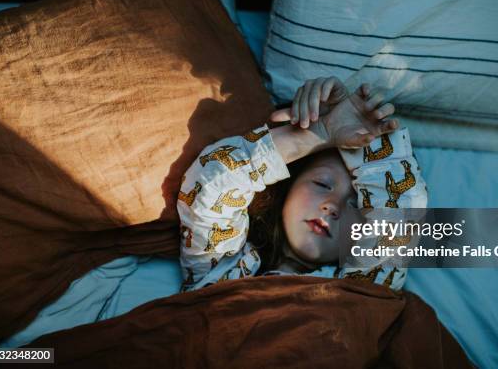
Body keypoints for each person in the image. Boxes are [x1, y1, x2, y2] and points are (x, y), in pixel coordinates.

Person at [178, 77, 428, 291]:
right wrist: (315, 133)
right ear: (287, 185)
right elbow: (211, 185)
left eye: (358, 205)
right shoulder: (220, 271)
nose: (332, 206)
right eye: (322, 183)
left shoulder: (363, 290)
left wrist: (370, 137)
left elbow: (403, 210)